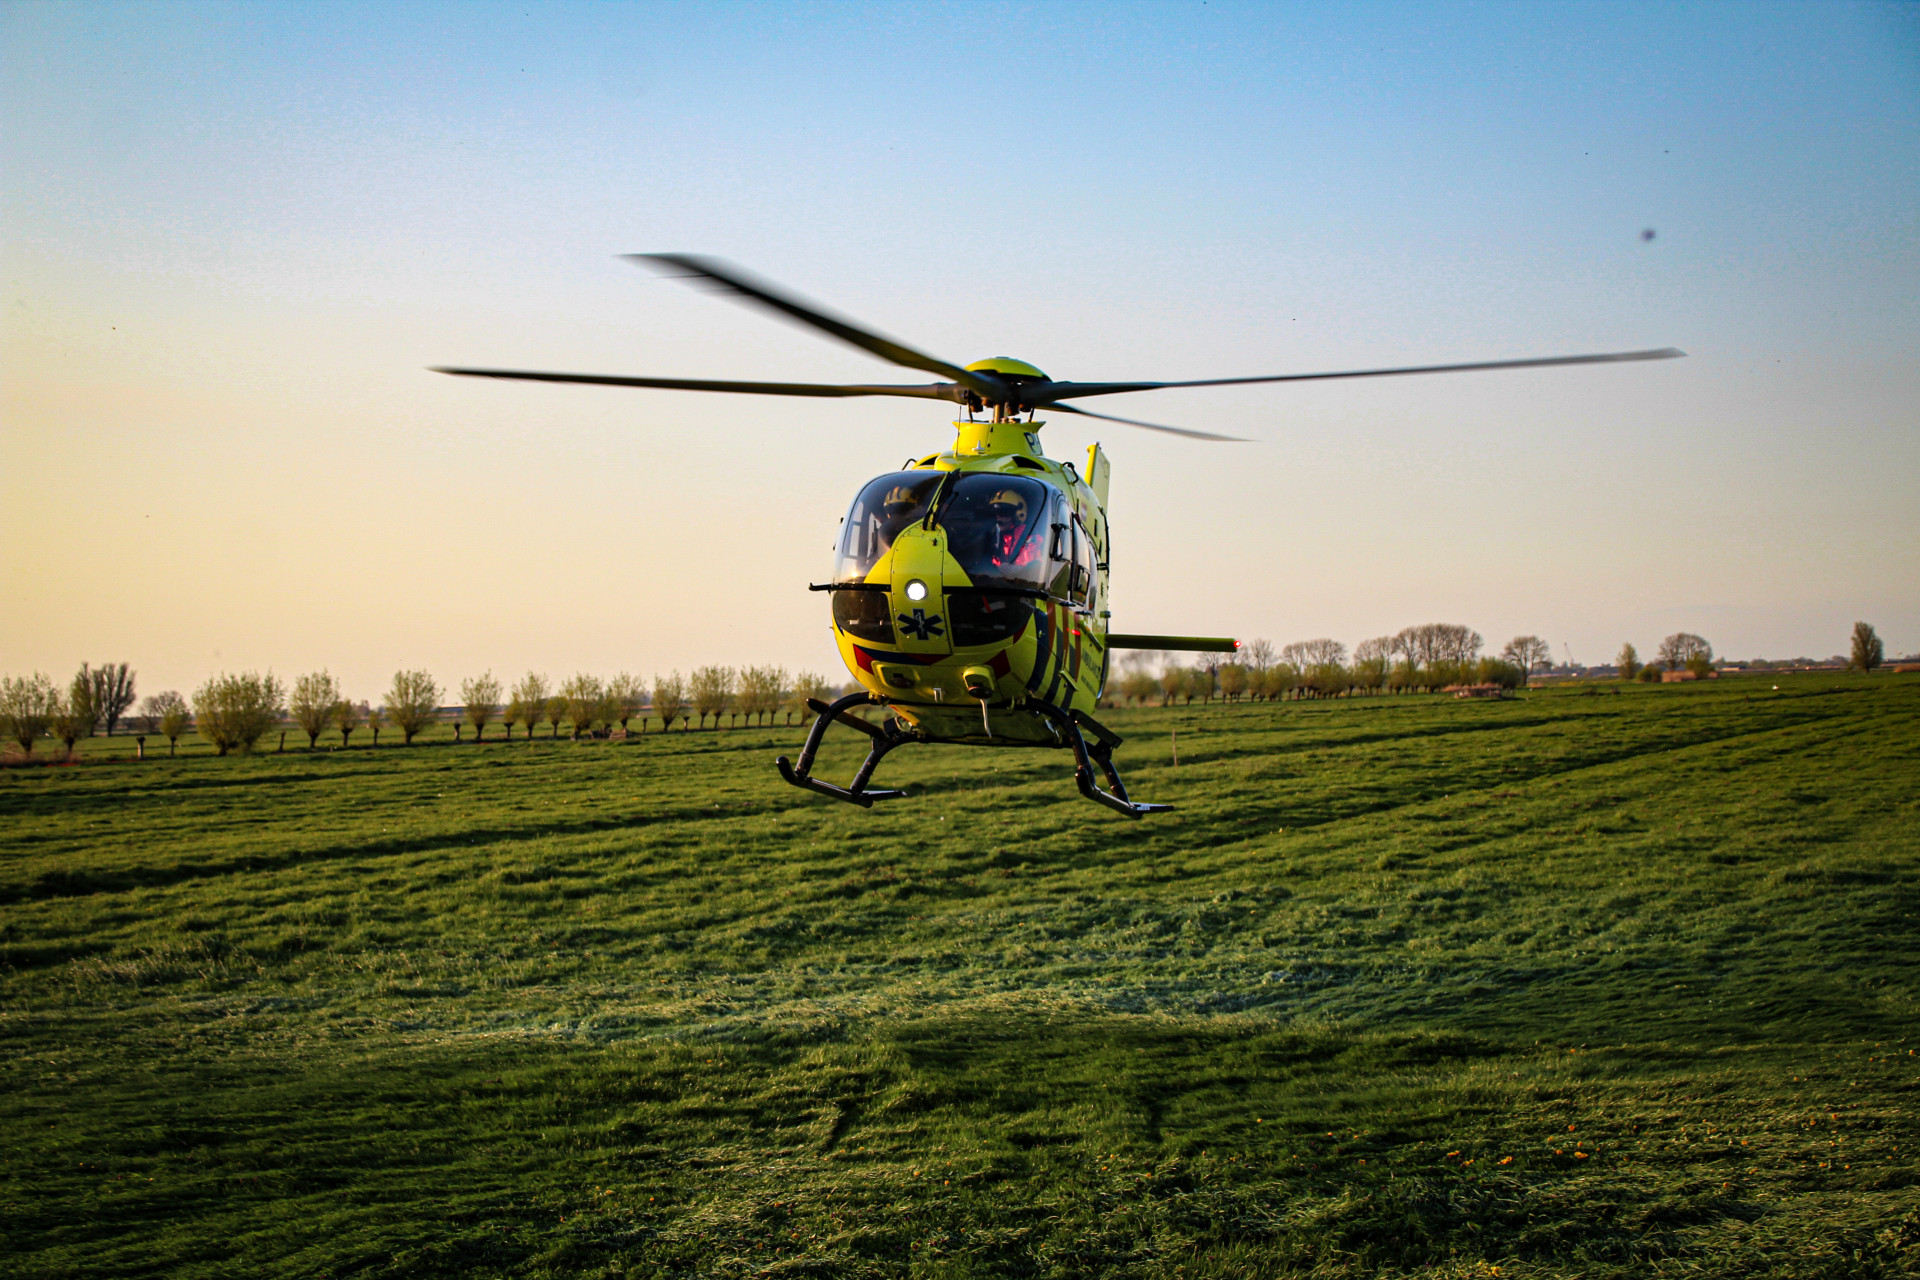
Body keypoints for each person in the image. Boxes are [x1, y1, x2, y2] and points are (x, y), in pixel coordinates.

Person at [988, 489, 1037, 568]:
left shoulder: (1030, 539)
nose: (998, 518)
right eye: (995, 513)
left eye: (1003, 512)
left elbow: (1033, 567)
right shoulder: (995, 536)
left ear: (1018, 514)